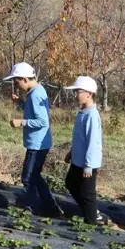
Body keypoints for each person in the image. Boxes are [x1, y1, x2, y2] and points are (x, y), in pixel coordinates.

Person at [6, 62, 64, 217]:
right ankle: (52, 208)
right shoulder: (35, 92)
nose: (15, 85)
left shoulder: (36, 94)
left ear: (24, 79)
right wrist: (19, 103)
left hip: (37, 144)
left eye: (16, 81)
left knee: (28, 176)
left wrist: (21, 123)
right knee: (35, 176)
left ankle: (31, 207)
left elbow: (42, 121)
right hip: (38, 143)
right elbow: (31, 111)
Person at [63, 76, 104, 225]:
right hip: (78, 159)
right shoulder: (83, 112)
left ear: (89, 93)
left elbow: (93, 142)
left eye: (77, 91)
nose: (75, 95)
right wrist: (72, 152)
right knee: (71, 183)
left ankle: (91, 221)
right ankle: (91, 211)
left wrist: (89, 165)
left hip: (87, 163)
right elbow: (80, 138)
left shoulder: (92, 115)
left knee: (88, 193)